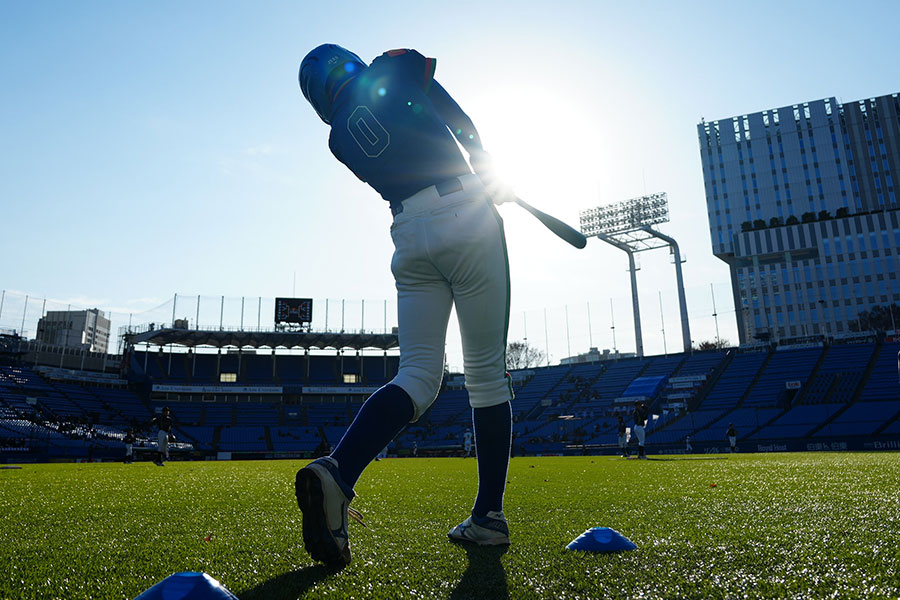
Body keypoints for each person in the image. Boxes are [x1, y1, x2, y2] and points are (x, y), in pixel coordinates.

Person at [294, 44, 515, 567]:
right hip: (465, 210)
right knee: (486, 376)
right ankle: (487, 517)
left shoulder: (338, 138)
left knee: (416, 375)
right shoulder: (392, 66)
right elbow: (452, 115)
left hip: (408, 234)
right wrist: (487, 169)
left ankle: (339, 471)